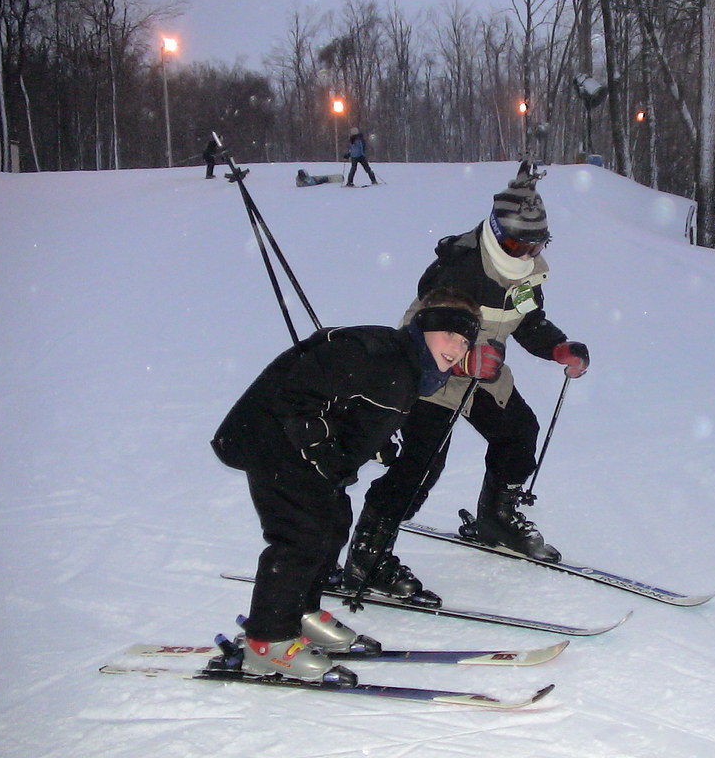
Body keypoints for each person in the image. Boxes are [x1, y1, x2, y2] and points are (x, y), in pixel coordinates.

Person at [343, 159, 590, 608]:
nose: (526, 253)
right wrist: (464, 360)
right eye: (516, 242)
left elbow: (527, 320)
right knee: (420, 463)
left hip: (485, 372)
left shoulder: (527, 271)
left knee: (519, 433)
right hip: (432, 371)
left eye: (537, 243)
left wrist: (557, 347)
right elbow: (425, 335)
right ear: (496, 232)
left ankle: (496, 518)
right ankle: (368, 557)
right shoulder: (459, 269)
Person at [211, 288, 483, 680]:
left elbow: (357, 407)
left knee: (334, 521)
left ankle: (300, 613)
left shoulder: (411, 369)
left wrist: (372, 446)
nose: (456, 348)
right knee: (300, 535)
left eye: (463, 341)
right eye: (449, 336)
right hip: (271, 441)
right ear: (422, 327)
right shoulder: (376, 355)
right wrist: (322, 449)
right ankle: (267, 641)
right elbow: (297, 394)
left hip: (300, 451)